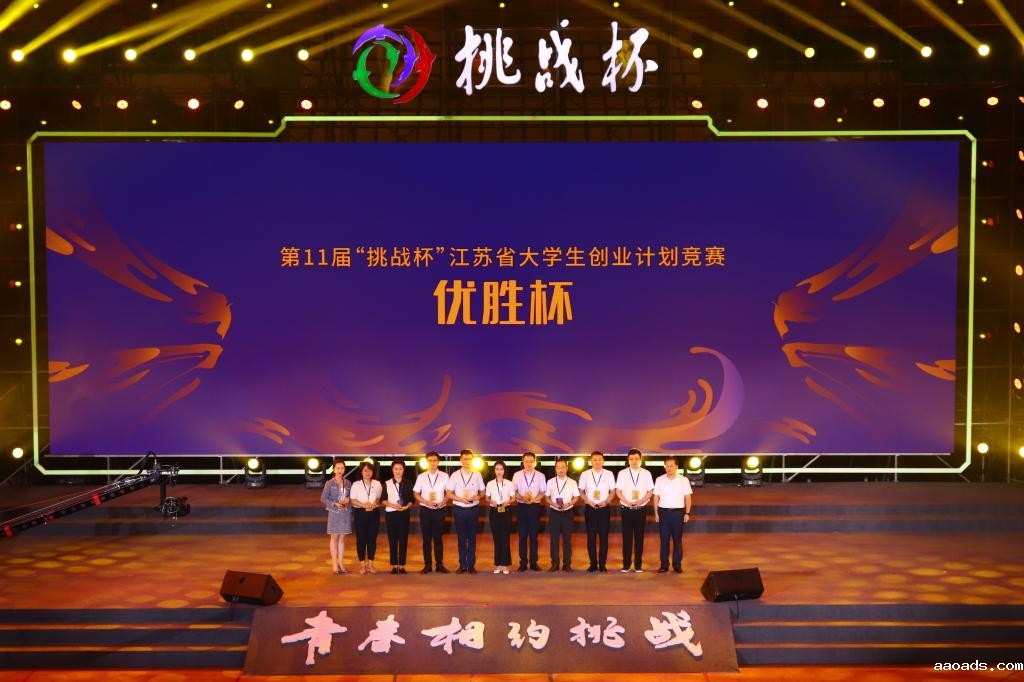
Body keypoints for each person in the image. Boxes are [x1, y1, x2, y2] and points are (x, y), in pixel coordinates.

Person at [446, 448, 485, 574]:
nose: (467, 461)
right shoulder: (455, 475)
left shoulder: (477, 474)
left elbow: (483, 492)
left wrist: (478, 496)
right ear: (461, 460)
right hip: (459, 509)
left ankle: (471, 565)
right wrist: (461, 499)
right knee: (461, 538)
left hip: (473, 509)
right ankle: (462, 564)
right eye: (465, 459)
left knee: (472, 537)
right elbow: (449, 493)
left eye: (469, 459)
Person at [616, 448, 655, 573]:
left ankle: (638, 565)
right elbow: (618, 491)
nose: (634, 461)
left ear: (640, 459)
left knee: (639, 537)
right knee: (626, 538)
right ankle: (626, 565)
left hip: (640, 509)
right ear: (628, 460)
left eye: (636, 459)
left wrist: (641, 501)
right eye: (631, 459)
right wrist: (627, 502)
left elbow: (650, 491)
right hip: (626, 508)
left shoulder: (646, 473)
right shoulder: (622, 473)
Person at [653, 455, 693, 573]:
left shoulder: (683, 480)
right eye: (667, 466)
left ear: (676, 467)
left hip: (678, 514)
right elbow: (656, 497)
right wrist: (656, 513)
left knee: (677, 540)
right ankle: (664, 565)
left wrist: (687, 513)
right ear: (664, 467)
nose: (669, 468)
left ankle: (677, 565)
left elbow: (688, 497)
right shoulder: (659, 479)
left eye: (671, 466)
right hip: (663, 513)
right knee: (664, 541)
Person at [412, 451, 450, 574]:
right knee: (426, 539)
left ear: (438, 462)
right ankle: (427, 565)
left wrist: (443, 502)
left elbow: (449, 493)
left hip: (440, 510)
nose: (432, 463)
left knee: (438, 539)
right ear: (427, 462)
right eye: (430, 460)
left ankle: (439, 565)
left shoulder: (444, 476)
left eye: (435, 460)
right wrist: (425, 501)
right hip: (426, 510)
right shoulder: (421, 476)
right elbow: (416, 493)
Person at [578, 450, 615, 572]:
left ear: (603, 461)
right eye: (594, 460)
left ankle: (602, 564)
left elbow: (613, 491)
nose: (597, 462)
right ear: (590, 461)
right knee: (591, 537)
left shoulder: (609, 474)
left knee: (604, 538)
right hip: (590, 508)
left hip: (604, 509)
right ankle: (593, 564)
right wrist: (588, 501)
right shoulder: (585, 474)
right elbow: (581, 491)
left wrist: (607, 501)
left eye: (599, 459)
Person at [512, 451, 546, 571]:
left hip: (534, 507)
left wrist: (533, 500)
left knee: (533, 536)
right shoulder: (517, 475)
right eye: (526, 461)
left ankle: (533, 562)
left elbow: (542, 492)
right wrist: (522, 498)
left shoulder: (540, 476)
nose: (529, 464)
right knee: (522, 536)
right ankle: (523, 563)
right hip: (522, 507)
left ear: (535, 462)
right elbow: (514, 491)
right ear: (523, 462)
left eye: (531, 461)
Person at [545, 457, 579, 571]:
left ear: (567, 468)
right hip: (554, 513)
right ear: (555, 469)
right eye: (558, 467)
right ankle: (554, 564)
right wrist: (553, 504)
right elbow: (547, 497)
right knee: (554, 540)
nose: (561, 470)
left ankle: (567, 564)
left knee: (567, 540)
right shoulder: (550, 482)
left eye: (563, 467)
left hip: (567, 512)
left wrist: (568, 504)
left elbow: (576, 497)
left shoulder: (572, 482)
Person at [320, 460, 353, 574]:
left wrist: (348, 500)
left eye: (342, 468)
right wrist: (334, 503)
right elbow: (323, 498)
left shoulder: (348, 483)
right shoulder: (329, 483)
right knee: (334, 538)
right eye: (338, 468)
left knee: (342, 539)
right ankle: (334, 564)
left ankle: (341, 563)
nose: (340, 470)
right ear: (334, 469)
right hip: (334, 513)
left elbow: (351, 497)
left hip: (345, 513)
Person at [382, 459, 415, 574]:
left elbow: (411, 499)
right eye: (396, 469)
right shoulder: (387, 483)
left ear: (404, 470)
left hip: (404, 513)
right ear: (392, 470)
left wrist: (407, 506)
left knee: (403, 539)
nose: (398, 471)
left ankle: (401, 565)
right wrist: (393, 505)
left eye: (400, 469)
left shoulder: (409, 483)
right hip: (391, 514)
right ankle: (394, 565)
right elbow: (383, 499)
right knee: (392, 539)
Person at [350, 461, 383, 574]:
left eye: (370, 470)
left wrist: (375, 503)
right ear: (361, 472)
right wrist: (364, 505)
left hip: (374, 513)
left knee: (372, 539)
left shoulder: (377, 484)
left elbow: (379, 499)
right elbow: (353, 500)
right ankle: (362, 565)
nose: (368, 472)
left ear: (373, 472)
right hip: (360, 513)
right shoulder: (356, 484)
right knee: (361, 539)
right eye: (365, 470)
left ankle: (370, 564)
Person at [485, 460, 516, 574]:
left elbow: (513, 498)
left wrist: (508, 501)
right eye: (497, 469)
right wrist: (491, 501)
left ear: (504, 470)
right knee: (496, 538)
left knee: (505, 538)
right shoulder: (490, 484)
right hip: (494, 511)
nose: (499, 471)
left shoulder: (509, 483)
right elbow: (487, 498)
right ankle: (498, 564)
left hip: (506, 511)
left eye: (501, 469)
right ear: (494, 470)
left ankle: (505, 565)